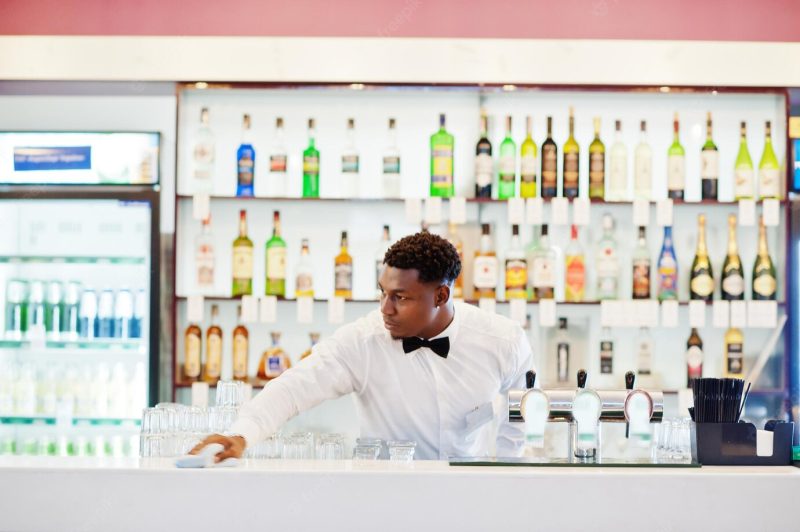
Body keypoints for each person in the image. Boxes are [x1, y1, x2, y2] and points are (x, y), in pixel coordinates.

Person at [192, 231, 533, 461]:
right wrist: (242, 434)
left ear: (441, 295)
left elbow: (520, 413)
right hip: (382, 502)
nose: (385, 308)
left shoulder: (503, 341)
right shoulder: (363, 341)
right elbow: (293, 388)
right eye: (383, 293)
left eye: (400, 297)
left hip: (466, 504)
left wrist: (504, 476)